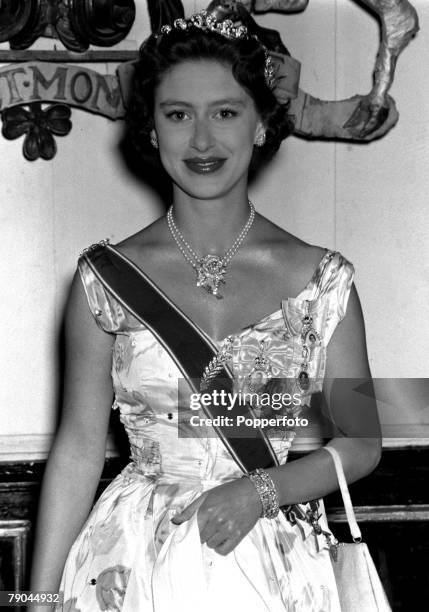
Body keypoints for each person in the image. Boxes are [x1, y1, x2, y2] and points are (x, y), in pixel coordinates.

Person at [30, 8, 381, 612]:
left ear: (261, 125)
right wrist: (32, 600)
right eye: (177, 115)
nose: (201, 140)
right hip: (129, 564)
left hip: (269, 557)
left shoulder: (324, 281)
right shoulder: (103, 280)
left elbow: (362, 442)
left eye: (225, 112)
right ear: (150, 131)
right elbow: (79, 448)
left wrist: (260, 492)